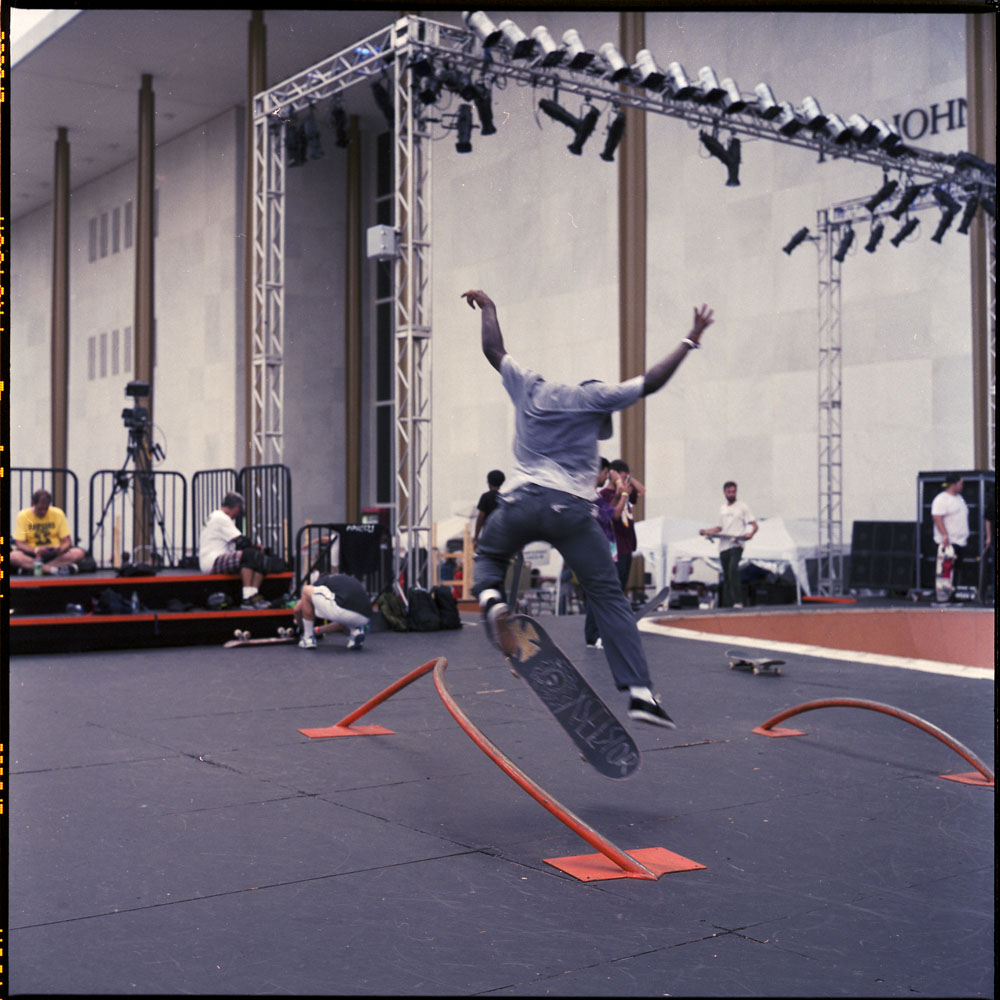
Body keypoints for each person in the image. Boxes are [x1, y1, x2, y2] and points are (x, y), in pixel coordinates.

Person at [462, 287, 715, 729]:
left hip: (520, 501)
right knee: (609, 597)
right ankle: (640, 693)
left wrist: (489, 308)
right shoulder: (596, 399)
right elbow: (651, 381)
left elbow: (493, 349)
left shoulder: (528, 384)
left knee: (490, 556)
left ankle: (491, 600)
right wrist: (689, 340)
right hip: (573, 513)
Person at [198, 491, 271, 609]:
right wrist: (256, 546)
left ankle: (253, 595)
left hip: (212, 559)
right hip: (213, 561)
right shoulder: (221, 518)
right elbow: (241, 541)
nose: (239, 514)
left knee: (256, 557)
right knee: (249, 555)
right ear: (237, 508)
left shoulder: (215, 515)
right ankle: (247, 598)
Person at [700, 481, 758, 609]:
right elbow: (719, 528)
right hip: (724, 545)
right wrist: (706, 531)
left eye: (734, 492)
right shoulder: (723, 508)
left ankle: (738, 600)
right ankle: (728, 603)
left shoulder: (742, 507)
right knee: (726, 574)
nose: (732, 494)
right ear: (724, 493)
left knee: (733, 569)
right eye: (729, 492)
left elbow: (754, 525)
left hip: (736, 544)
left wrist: (751, 534)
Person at [11, 488, 86, 575]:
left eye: (46, 508)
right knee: (12, 556)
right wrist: (36, 550)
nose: (43, 512)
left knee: (78, 553)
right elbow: (20, 544)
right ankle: (53, 570)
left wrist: (60, 549)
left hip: (54, 554)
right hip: (33, 553)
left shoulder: (58, 513)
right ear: (33, 503)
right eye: (40, 509)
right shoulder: (23, 515)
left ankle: (36, 569)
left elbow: (67, 541)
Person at [293, 572, 372, 650]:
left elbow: (297, 609)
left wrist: (303, 627)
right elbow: (341, 623)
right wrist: (317, 630)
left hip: (342, 610)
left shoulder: (323, 580)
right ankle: (356, 631)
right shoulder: (345, 580)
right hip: (365, 617)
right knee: (347, 613)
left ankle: (308, 638)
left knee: (306, 589)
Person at [606, 459, 646, 596]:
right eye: (623, 477)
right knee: (616, 583)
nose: (624, 481)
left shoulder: (626, 492)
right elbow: (614, 515)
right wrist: (620, 488)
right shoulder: (606, 494)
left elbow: (641, 490)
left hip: (627, 544)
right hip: (616, 546)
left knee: (623, 583)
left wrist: (629, 478)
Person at [931, 473, 969, 596]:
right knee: (945, 570)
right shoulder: (941, 499)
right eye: (960, 483)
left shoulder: (959, 498)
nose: (962, 486)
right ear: (954, 484)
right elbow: (937, 517)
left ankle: (951, 595)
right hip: (948, 542)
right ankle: (942, 597)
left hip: (960, 541)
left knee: (956, 571)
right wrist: (945, 535)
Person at [473, 469, 506, 550]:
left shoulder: (485, 497)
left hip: (488, 534)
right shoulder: (504, 498)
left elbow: (480, 517)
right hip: (501, 535)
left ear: (488, 482)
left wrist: (476, 537)